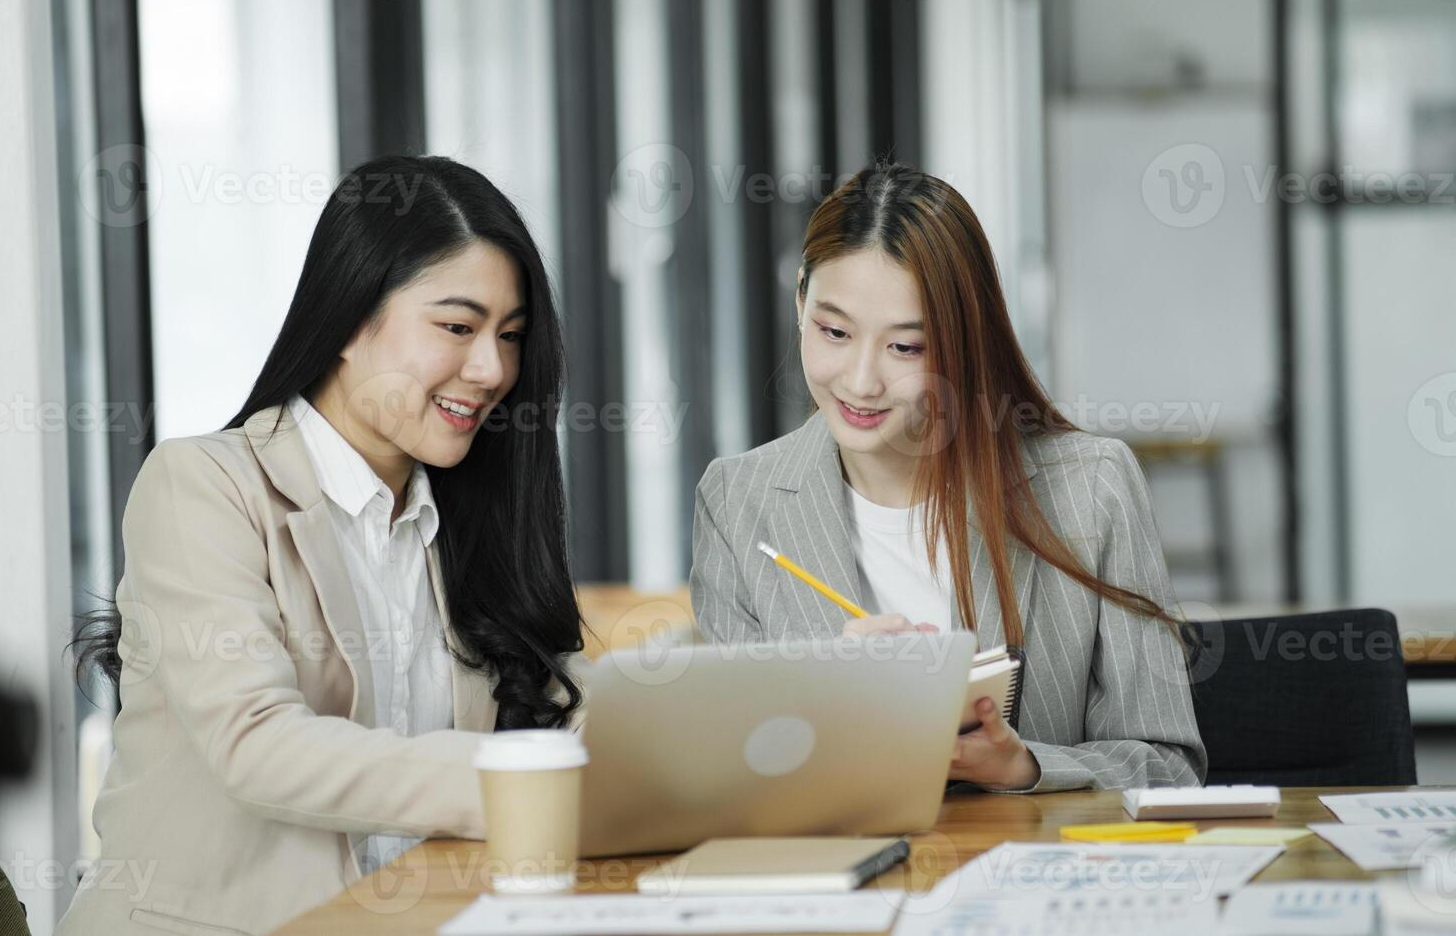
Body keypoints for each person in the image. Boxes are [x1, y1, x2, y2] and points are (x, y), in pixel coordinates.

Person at [61, 156, 585, 935]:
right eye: (457, 326)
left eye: (511, 336)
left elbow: (557, 714)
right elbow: (259, 745)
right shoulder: (202, 485)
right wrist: (521, 781)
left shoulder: (467, 516)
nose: (493, 369)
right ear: (347, 318)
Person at [690, 161, 1206, 794]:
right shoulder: (737, 501)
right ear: (800, 303)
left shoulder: (1090, 487)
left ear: (963, 340)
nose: (860, 381)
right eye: (833, 332)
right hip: (845, 879)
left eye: (905, 348)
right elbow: (732, 777)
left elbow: (1168, 763)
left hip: (1029, 879)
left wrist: (1023, 766)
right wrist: (828, 708)